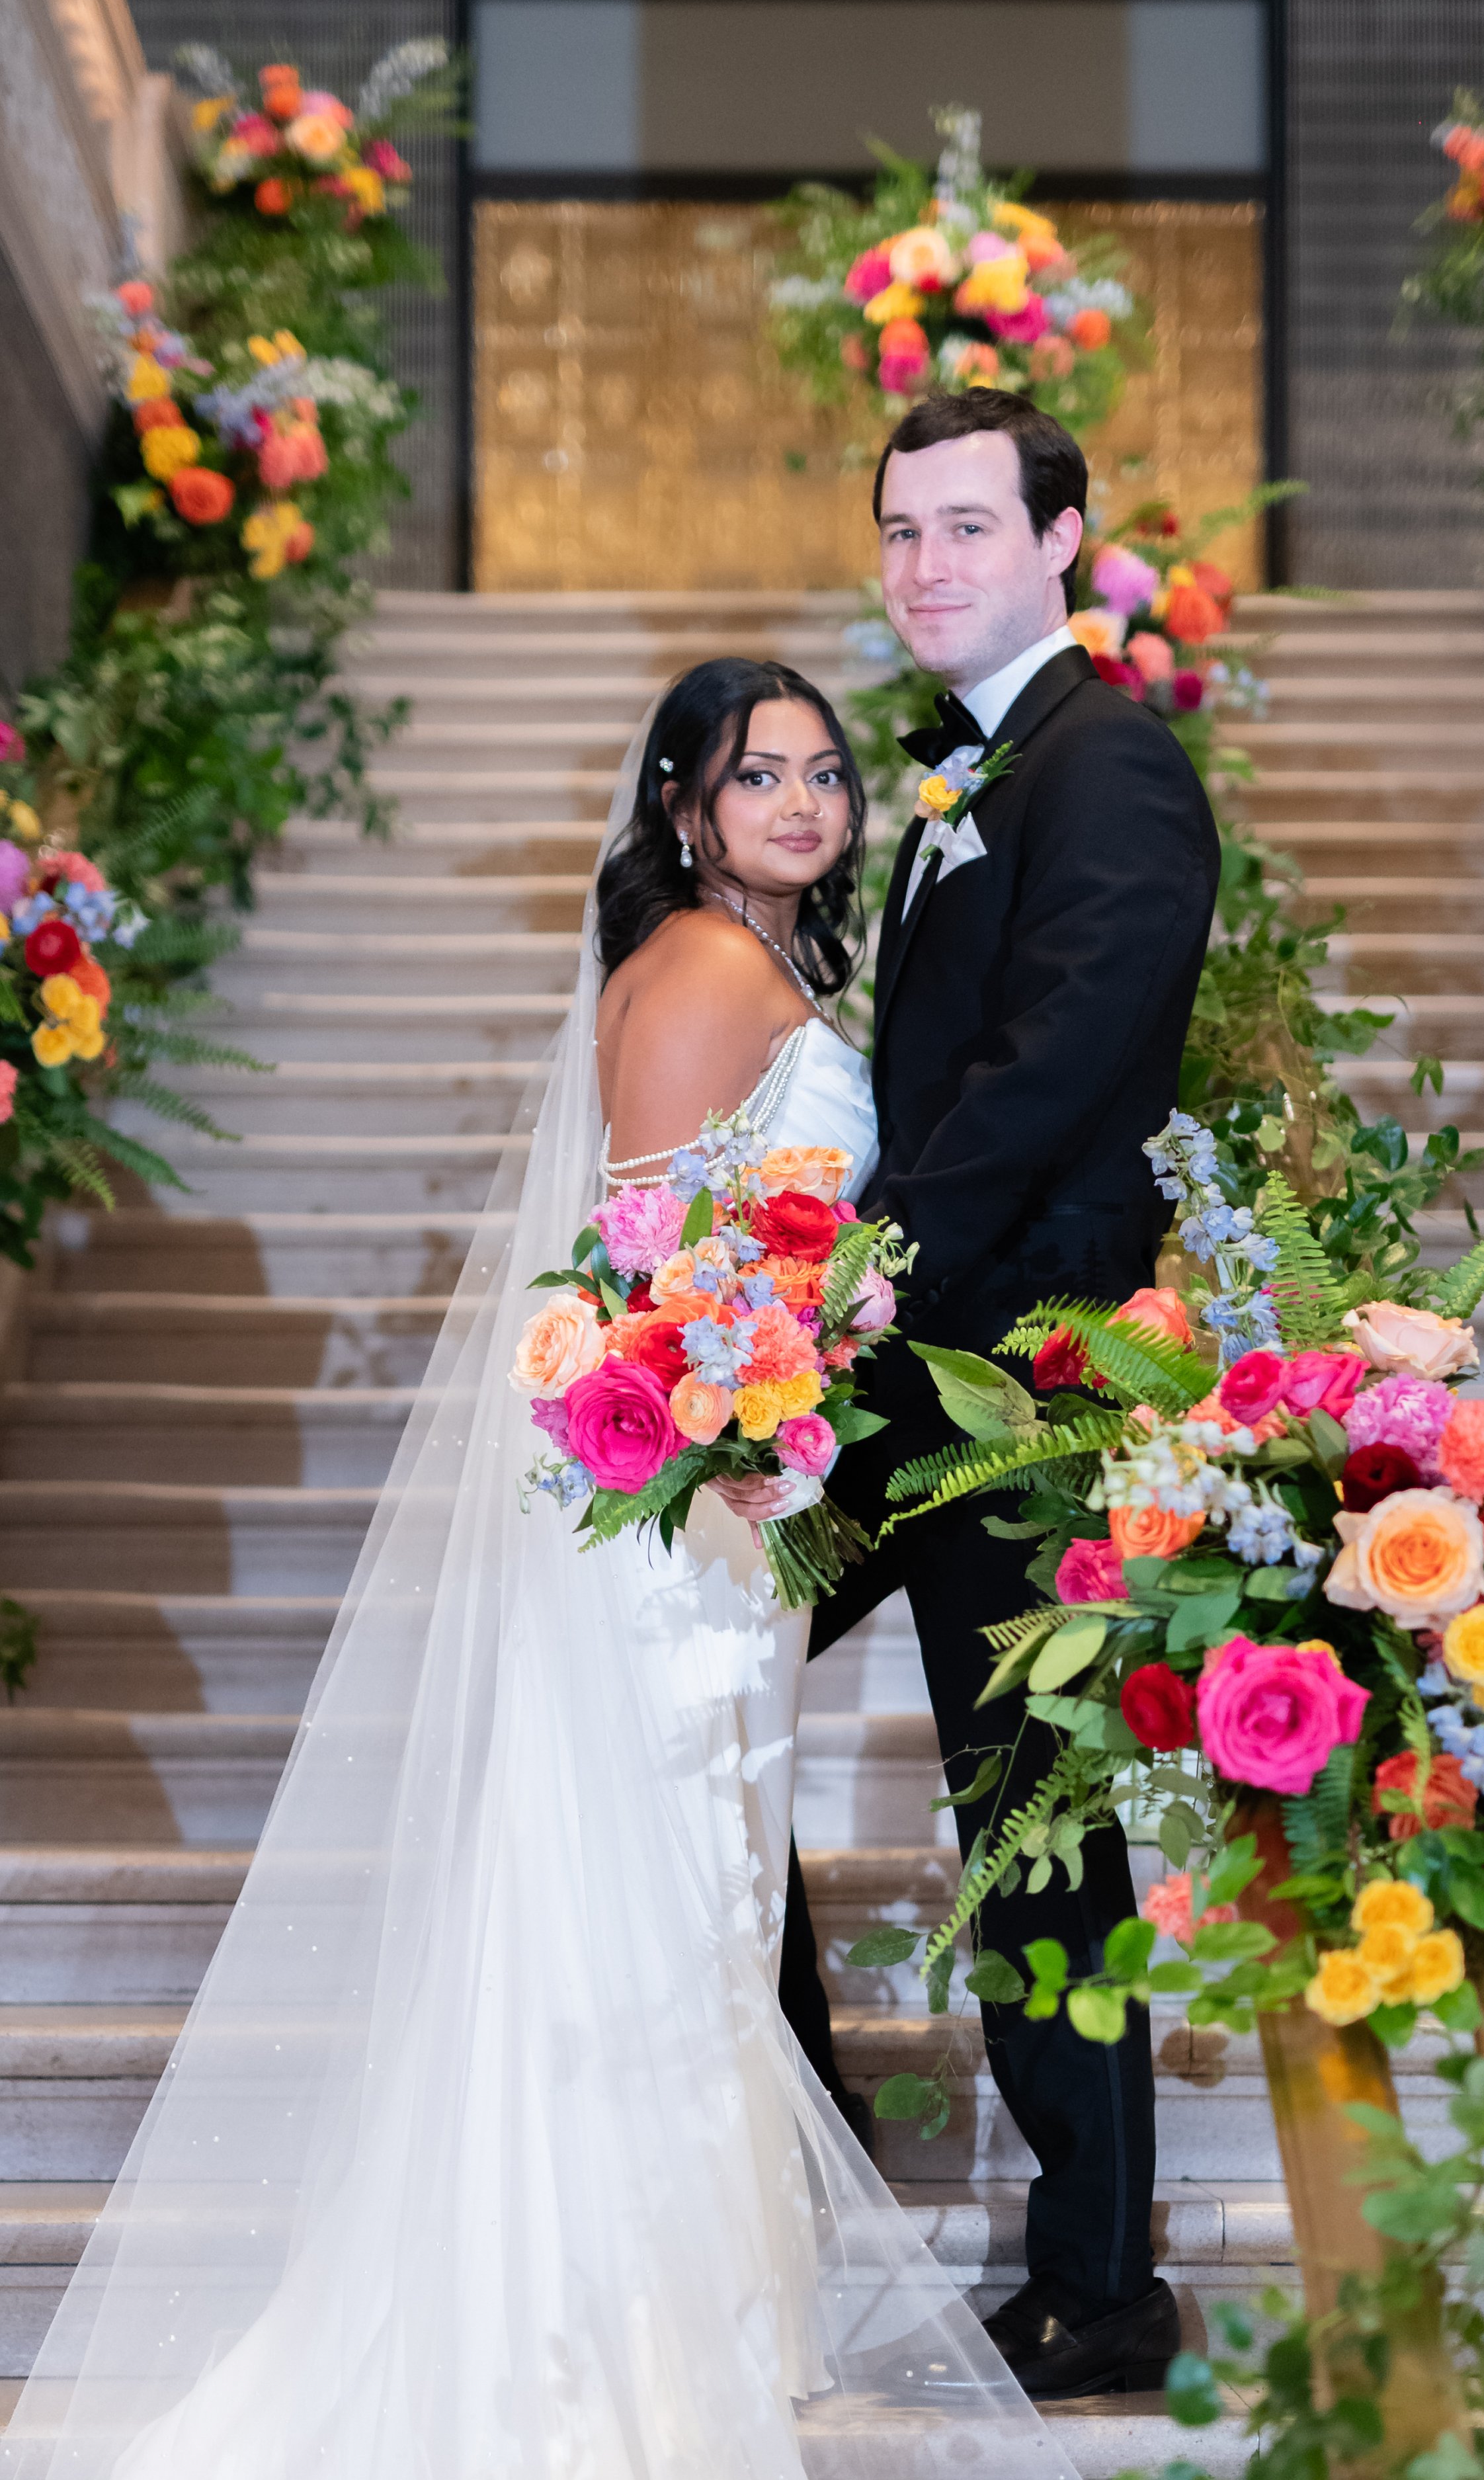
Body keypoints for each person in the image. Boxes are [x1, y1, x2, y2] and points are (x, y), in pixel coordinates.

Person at [2, 660, 1079, 2480]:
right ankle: (604, 2350)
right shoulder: (709, 971)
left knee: (709, 1912)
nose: (805, 804)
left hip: (731, 1508)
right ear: (683, 806)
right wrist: (738, 1440)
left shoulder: (766, 964)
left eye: (823, 774)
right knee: (658, 1912)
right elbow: (646, 1264)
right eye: (761, 777)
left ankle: (685, 2325)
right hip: (683, 1520)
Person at [781, 390, 1221, 2401]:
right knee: (668, 1660)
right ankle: (780, 2137)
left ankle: (1100, 2287)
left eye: (966, 527)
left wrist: (869, 1267)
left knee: (1032, 1820)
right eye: (900, 533)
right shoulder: (974, 772)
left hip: (1008, 1372)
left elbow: (1054, 1065)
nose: (926, 566)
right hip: (931, 1361)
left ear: (1061, 540)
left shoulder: (1104, 762)